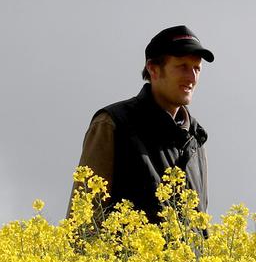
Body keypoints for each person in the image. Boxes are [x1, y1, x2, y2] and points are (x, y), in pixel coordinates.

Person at [69, 25, 213, 223]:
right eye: (182, 67)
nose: (192, 77)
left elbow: (200, 225)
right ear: (153, 69)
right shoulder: (113, 123)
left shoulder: (196, 139)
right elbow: (83, 217)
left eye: (197, 68)